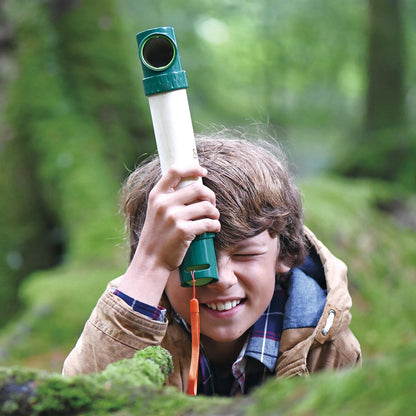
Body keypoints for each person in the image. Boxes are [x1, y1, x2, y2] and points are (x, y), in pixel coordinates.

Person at [62, 131, 361, 396]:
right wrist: (150, 263)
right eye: (188, 257)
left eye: (245, 254)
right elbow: (82, 401)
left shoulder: (328, 351)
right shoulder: (132, 325)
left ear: (285, 253)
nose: (221, 279)